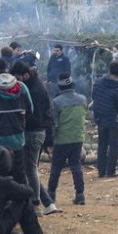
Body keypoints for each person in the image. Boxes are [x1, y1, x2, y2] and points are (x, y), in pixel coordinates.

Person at [10, 61, 58, 215]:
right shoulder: (34, 85)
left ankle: (35, 203)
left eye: (18, 77)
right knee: (28, 168)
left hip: (32, 132)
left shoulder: (34, 90)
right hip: (37, 132)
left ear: (25, 75)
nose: (16, 81)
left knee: (30, 169)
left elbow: (35, 116)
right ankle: (43, 202)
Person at [49, 73, 87, 205]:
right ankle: (80, 194)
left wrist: (50, 141)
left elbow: (54, 122)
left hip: (61, 140)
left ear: (59, 87)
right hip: (78, 138)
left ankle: (51, 195)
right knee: (76, 165)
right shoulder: (83, 99)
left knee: (56, 167)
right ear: (72, 84)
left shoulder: (56, 102)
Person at [92, 61, 118, 178]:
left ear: (109, 70)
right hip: (113, 121)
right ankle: (110, 171)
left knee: (102, 145)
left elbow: (94, 97)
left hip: (100, 118)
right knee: (114, 146)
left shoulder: (98, 82)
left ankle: (101, 171)